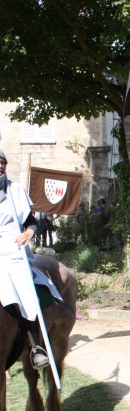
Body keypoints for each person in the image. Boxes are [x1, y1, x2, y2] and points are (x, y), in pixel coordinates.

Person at [0, 149, 63, 369]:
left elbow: (31, 221)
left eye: (2, 162)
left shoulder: (15, 190)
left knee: (25, 286)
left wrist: (29, 233)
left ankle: (36, 345)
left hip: (14, 248)